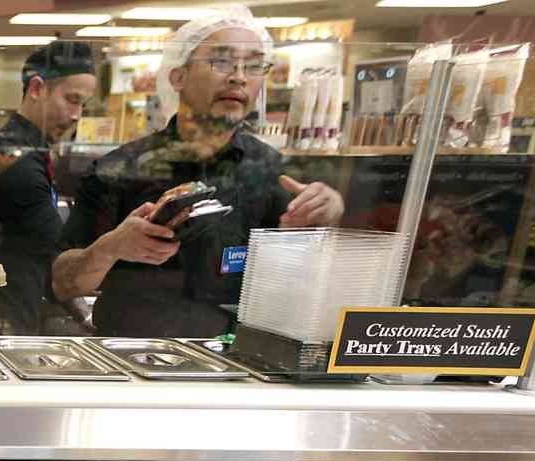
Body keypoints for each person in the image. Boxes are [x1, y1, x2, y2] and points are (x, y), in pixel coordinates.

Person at [51, 6, 344, 337]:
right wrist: (110, 248)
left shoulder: (273, 171)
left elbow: (306, 287)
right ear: (178, 76)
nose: (239, 76)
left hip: (237, 357)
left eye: (253, 65)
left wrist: (324, 222)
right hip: (132, 356)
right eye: (222, 61)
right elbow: (61, 282)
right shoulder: (119, 169)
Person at [0, 40, 97, 335]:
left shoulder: (23, 146)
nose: (77, 115)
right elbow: (62, 266)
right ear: (37, 88)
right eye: (72, 99)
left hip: (5, 312)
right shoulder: (18, 163)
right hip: (2, 323)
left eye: (83, 105)